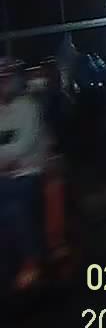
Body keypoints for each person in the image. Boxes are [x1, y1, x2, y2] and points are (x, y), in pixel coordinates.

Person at [0, 59, 50, 291]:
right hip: (4, 172)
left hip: (27, 171)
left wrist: (6, 160)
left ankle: (31, 260)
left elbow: (25, 143)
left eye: (5, 78)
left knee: (13, 206)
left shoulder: (28, 107)